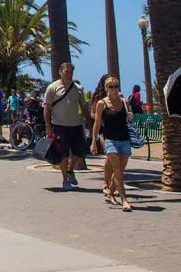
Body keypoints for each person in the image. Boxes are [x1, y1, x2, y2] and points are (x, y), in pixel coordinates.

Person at [44, 62, 91, 192]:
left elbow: (84, 107)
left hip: (76, 125)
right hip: (59, 125)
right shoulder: (52, 88)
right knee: (63, 154)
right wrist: (48, 125)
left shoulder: (78, 88)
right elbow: (47, 107)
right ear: (60, 72)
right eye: (66, 72)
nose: (69, 74)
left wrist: (89, 124)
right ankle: (65, 179)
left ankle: (70, 170)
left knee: (79, 152)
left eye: (71, 72)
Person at [90, 76, 134, 211]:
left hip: (124, 139)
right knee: (116, 169)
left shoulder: (124, 102)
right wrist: (93, 142)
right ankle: (124, 199)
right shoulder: (102, 104)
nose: (114, 89)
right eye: (111, 87)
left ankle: (110, 191)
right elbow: (96, 124)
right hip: (110, 140)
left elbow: (129, 120)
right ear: (106, 88)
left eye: (116, 86)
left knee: (120, 170)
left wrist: (130, 116)